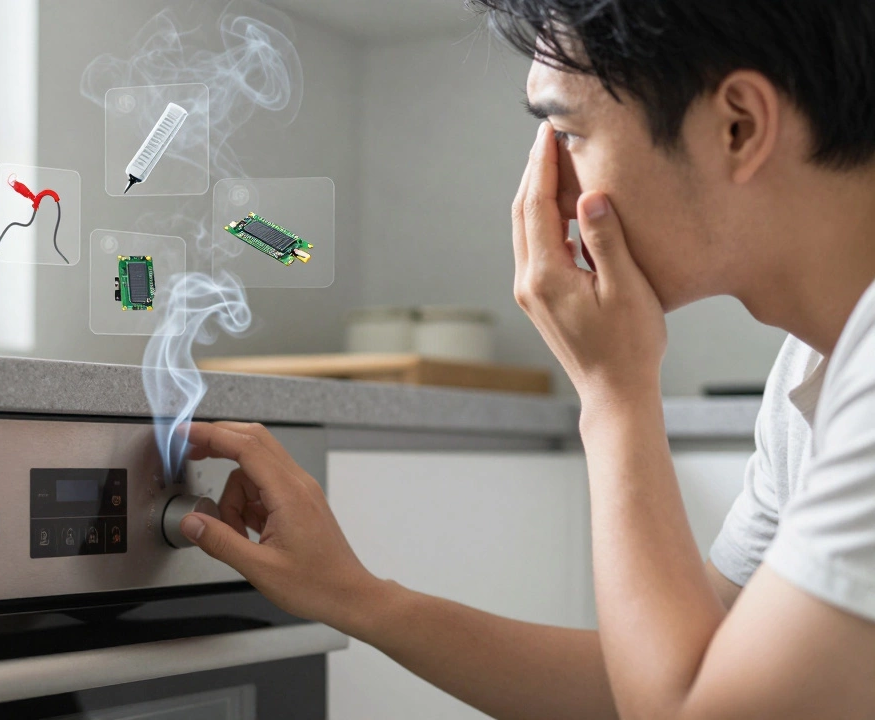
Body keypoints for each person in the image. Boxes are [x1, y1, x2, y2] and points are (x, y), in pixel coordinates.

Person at [175, 1, 875, 717]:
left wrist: (613, 393)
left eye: (568, 133)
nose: (550, 195)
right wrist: (355, 597)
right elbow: (674, 672)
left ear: (739, 128)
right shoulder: (813, 370)